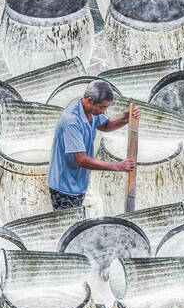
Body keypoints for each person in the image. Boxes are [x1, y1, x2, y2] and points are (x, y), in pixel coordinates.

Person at [46, 79, 139, 210]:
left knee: (76, 220)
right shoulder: (71, 121)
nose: (104, 111)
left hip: (78, 182)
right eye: (102, 107)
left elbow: (105, 125)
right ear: (90, 100)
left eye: (106, 107)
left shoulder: (89, 111)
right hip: (64, 186)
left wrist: (124, 119)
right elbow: (82, 160)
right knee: (69, 224)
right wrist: (116, 166)